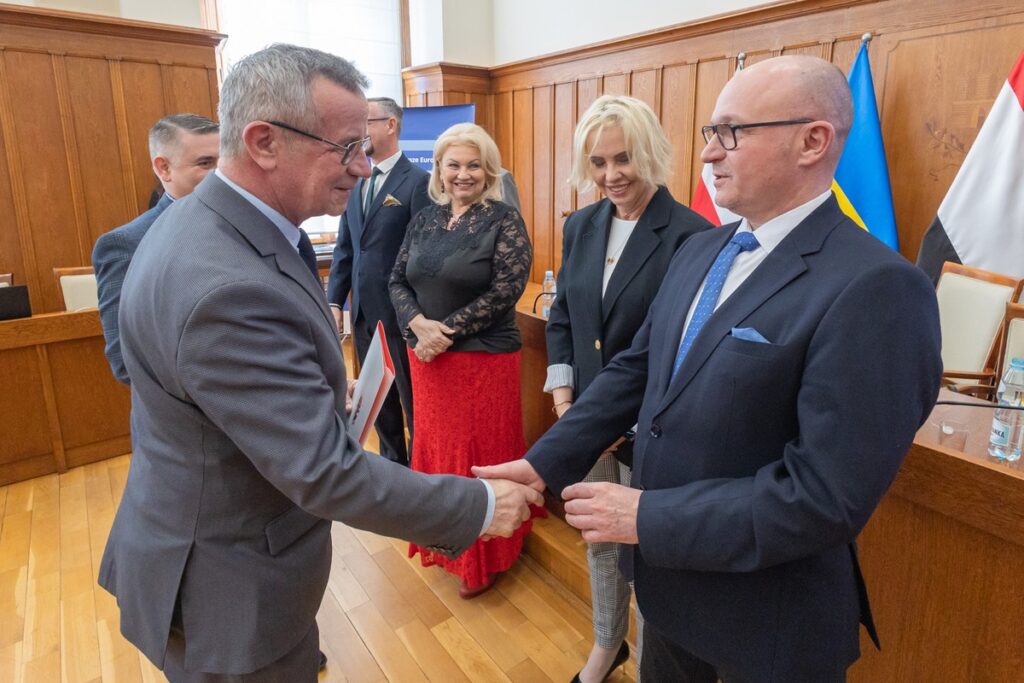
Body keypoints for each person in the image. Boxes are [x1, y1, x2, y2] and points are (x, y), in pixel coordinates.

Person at [477, 55, 942, 682]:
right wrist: (542, 463)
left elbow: (824, 496)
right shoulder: (704, 249)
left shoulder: (878, 288)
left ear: (813, 141)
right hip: (669, 597)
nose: (709, 156)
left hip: (767, 622)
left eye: (732, 133)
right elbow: (635, 373)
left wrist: (645, 517)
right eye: (709, 134)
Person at [97, 44, 541, 683]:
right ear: (264, 141)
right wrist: (474, 506)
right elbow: (324, 473)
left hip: (232, 559)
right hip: (228, 593)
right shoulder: (225, 284)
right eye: (345, 148)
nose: (364, 167)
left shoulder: (221, 225)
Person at [546, 95, 711, 683]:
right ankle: (606, 642)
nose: (611, 176)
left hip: (652, 431)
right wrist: (566, 401)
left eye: (623, 159)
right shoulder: (581, 225)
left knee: (649, 551)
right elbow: (564, 316)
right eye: (598, 162)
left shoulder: (693, 234)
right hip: (586, 419)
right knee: (599, 541)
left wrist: (624, 423)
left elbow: (681, 350)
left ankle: (649, 658)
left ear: (650, 155)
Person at [389, 122, 538, 599]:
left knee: (476, 460)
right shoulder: (424, 218)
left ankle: (484, 554)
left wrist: (443, 332)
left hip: (481, 361)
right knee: (435, 453)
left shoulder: (504, 219)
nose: (463, 174)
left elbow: (505, 292)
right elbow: (397, 280)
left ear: (489, 169)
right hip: (427, 360)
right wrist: (418, 325)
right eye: (453, 164)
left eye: (474, 164)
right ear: (438, 169)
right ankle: (441, 534)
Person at [327, 96, 429, 466]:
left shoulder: (419, 183)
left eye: (365, 123)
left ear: (391, 125)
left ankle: (422, 475)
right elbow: (345, 248)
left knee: (412, 401)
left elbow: (423, 255)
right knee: (376, 399)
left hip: (402, 316)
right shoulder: (355, 181)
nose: (358, 133)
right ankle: (393, 469)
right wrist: (335, 301)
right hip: (363, 316)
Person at [92, 113, 219, 383]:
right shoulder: (126, 244)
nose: (220, 174)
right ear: (163, 168)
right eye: (206, 163)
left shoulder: (254, 227)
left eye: (226, 161)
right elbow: (126, 360)